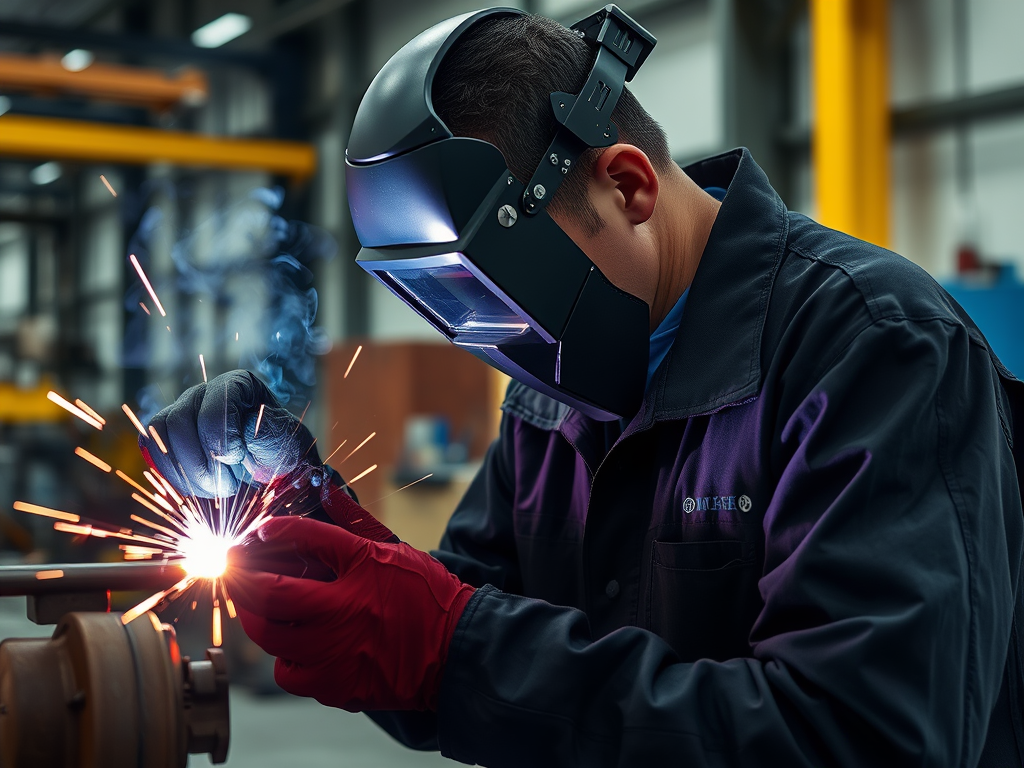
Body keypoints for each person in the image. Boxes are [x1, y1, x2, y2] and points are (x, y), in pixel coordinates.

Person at [143, 7, 1024, 767]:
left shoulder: (870, 348)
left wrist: (455, 649)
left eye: (502, 293)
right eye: (450, 304)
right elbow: (473, 606)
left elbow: (861, 738)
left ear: (628, 186)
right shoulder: (563, 381)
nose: (495, 339)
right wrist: (310, 521)